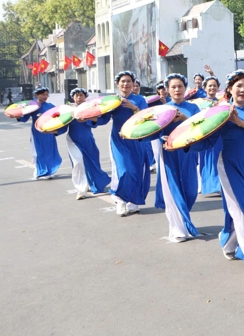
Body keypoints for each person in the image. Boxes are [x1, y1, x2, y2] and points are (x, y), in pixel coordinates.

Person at [188, 70, 244, 278]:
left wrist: (241, 123)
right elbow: (208, 140)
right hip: (229, 166)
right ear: (230, 90)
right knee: (243, 212)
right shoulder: (221, 113)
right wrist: (184, 144)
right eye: (239, 86)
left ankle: (229, 243)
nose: (243, 90)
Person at [152, 74, 201, 242]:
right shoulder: (163, 110)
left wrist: (185, 119)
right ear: (167, 90)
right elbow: (155, 131)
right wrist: (161, 138)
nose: (177, 90)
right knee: (173, 190)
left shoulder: (193, 108)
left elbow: (201, 127)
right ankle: (177, 228)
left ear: (185, 88)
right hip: (169, 153)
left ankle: (183, 219)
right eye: (173, 87)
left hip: (188, 152)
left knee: (190, 190)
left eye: (180, 86)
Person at [98, 71, 150, 216]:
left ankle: (133, 201)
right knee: (123, 170)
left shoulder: (140, 100)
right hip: (118, 139)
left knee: (136, 171)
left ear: (133, 84)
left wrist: (134, 108)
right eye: (123, 81)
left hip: (137, 139)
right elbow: (103, 118)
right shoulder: (113, 101)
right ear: (117, 84)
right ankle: (120, 200)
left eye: (128, 81)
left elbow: (147, 118)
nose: (126, 84)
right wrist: (93, 118)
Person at [63, 88, 110, 199]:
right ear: (73, 97)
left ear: (85, 97)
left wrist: (91, 119)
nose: (79, 97)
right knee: (78, 163)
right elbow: (61, 124)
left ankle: (95, 183)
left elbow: (102, 119)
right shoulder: (69, 110)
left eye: (81, 95)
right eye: (76, 95)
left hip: (88, 139)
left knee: (92, 162)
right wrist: (53, 130)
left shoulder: (90, 108)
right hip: (73, 140)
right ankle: (80, 190)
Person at [12, 87, 62, 180]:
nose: (45, 96)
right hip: (37, 132)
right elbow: (24, 118)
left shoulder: (50, 106)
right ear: (37, 95)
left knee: (49, 151)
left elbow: (58, 117)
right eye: (43, 94)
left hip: (49, 131)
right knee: (38, 152)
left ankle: (50, 170)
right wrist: (18, 116)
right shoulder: (33, 107)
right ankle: (41, 171)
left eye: (47, 95)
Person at [198, 76, 224, 196]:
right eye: (210, 86)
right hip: (205, 133)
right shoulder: (200, 103)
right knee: (205, 159)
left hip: (218, 134)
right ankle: (206, 184)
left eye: (215, 86)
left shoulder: (222, 102)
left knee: (217, 158)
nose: (212, 88)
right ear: (205, 88)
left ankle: (217, 184)